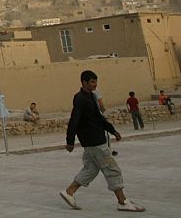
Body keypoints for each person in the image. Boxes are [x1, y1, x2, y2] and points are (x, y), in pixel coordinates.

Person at [60, 70, 145, 212]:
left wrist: (112, 130)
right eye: (92, 82)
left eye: (95, 81)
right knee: (112, 169)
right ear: (84, 82)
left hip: (93, 141)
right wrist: (70, 141)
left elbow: (98, 118)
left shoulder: (91, 97)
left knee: (91, 169)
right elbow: (74, 120)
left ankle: (69, 192)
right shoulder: (80, 99)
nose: (95, 84)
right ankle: (122, 201)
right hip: (94, 141)